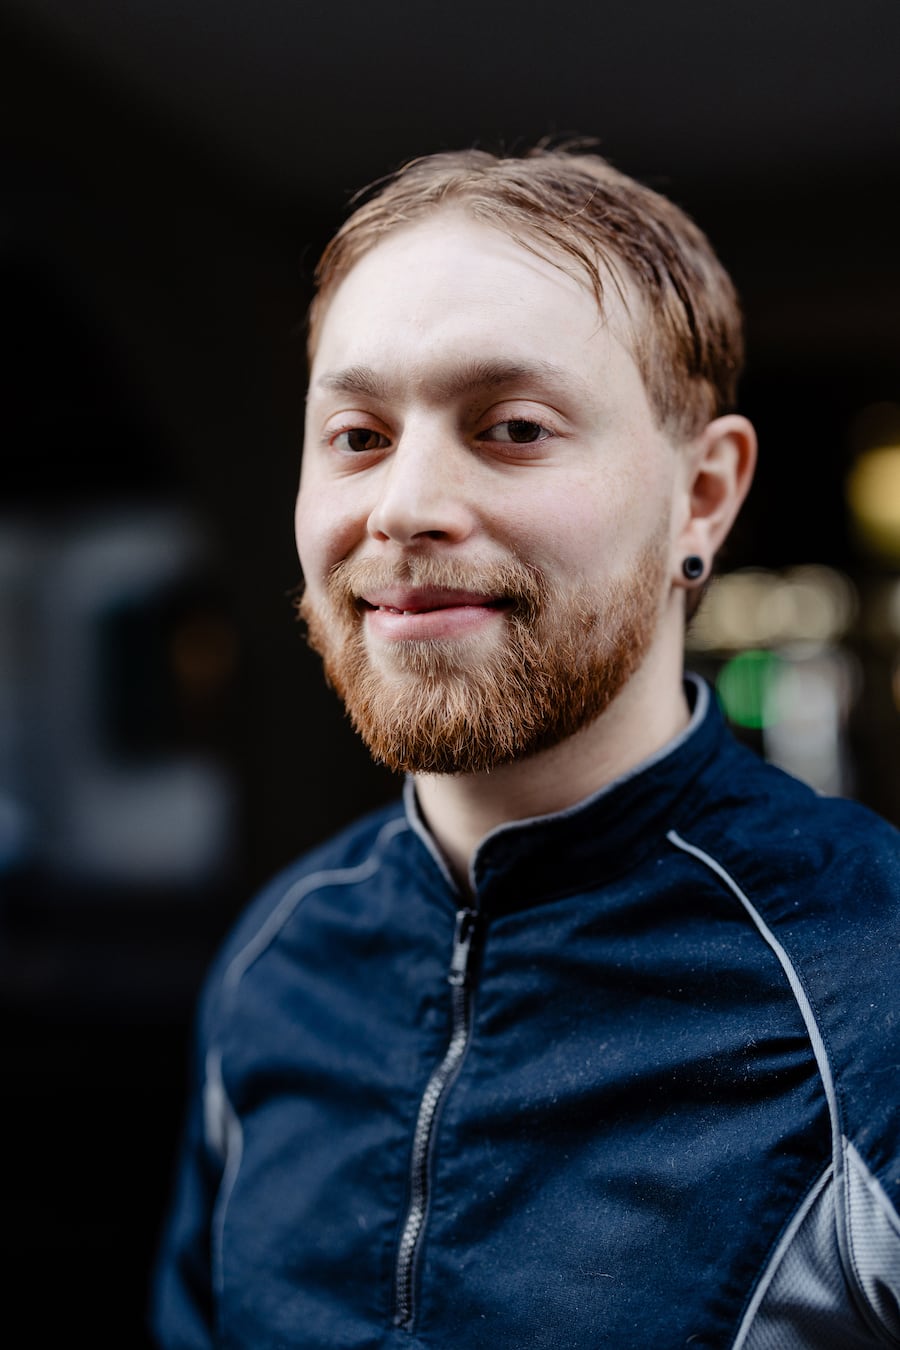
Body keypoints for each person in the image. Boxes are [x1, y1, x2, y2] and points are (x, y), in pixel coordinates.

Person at [150, 142, 900, 1349]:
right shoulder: (276, 963)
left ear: (702, 497)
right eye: (356, 435)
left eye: (511, 427)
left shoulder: (875, 986)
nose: (402, 505)